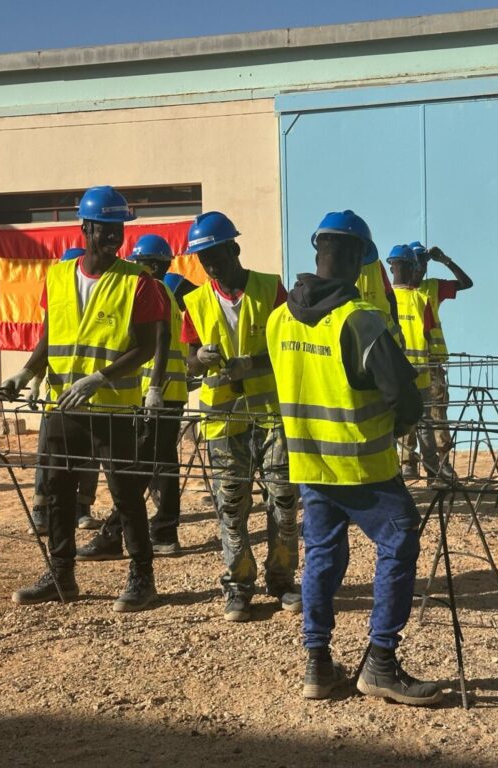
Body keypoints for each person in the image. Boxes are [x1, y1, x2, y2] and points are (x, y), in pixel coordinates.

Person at [266, 209, 442, 706]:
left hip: (310, 466)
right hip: (363, 467)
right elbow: (406, 401)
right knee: (399, 540)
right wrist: (398, 429)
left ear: (318, 251)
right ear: (359, 259)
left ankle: (317, 664)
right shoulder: (359, 319)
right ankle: (380, 663)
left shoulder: (279, 319)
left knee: (322, 557)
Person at [0, 186, 163, 613]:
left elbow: (145, 347)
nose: (113, 238)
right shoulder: (57, 277)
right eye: (105, 229)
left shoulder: (138, 283)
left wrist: (99, 378)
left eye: (118, 230)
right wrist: (27, 371)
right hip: (63, 408)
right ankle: (61, 575)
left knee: (126, 493)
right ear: (85, 228)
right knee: (57, 491)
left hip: (111, 407)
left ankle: (142, 578)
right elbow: (51, 336)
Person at [181, 211, 300, 622]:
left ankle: (282, 578)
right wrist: (197, 358)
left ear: (235, 248)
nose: (211, 264)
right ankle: (238, 585)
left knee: (282, 500)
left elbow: (291, 344)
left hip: (271, 416)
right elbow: (187, 361)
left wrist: (253, 364)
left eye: (216, 254)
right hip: (222, 419)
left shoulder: (271, 290)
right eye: (203, 258)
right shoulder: (195, 302)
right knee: (230, 507)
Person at [76, 233, 189, 560]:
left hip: (158, 391)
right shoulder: (165, 290)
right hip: (171, 390)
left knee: (139, 467)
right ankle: (164, 533)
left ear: (152, 265)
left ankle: (113, 535)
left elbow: (162, 339)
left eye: (137, 263)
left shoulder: (152, 288)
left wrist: (152, 388)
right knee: (162, 462)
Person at [28, 247, 100, 535]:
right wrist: (34, 378)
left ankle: (82, 509)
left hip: (92, 399)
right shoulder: (58, 307)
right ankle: (41, 510)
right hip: (58, 399)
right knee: (49, 454)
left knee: (89, 457)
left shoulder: (95, 306)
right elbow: (46, 346)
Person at [408, 241, 473, 466]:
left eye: (424, 265)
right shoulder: (395, 293)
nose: (421, 269)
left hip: (432, 363)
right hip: (406, 363)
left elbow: (466, 283)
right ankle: (409, 462)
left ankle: (441, 462)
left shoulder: (433, 287)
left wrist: (445, 260)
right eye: (417, 264)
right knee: (407, 413)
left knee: (436, 412)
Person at [387, 245, 446, 484]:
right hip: (420, 376)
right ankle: (433, 472)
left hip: (390, 376)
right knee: (424, 425)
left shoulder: (382, 299)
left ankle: (393, 475)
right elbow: (433, 339)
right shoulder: (422, 300)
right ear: (413, 267)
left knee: (390, 425)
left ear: (392, 266)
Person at [347, 223, 399, 338]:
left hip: (378, 333)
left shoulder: (376, 265)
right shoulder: (376, 265)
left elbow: (390, 297)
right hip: (376, 333)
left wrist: (397, 328)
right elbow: (391, 297)